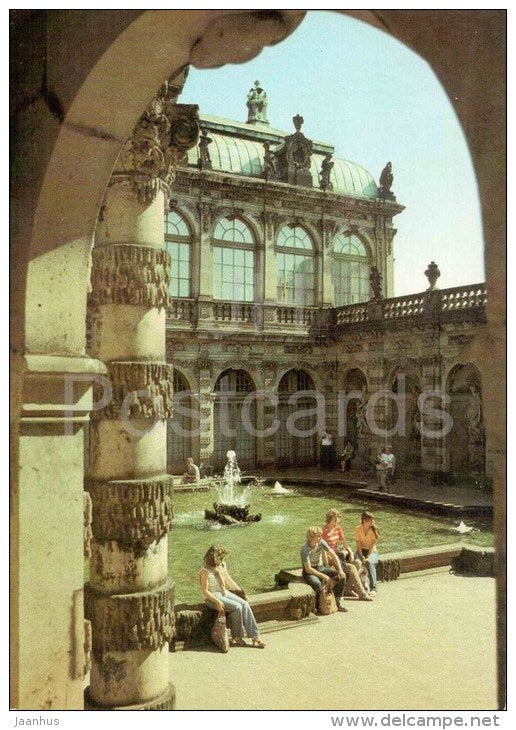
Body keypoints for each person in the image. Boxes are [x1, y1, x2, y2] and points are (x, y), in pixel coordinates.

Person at [199, 545, 265, 648]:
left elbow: (228, 580)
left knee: (244, 604)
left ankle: (255, 636)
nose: (224, 559)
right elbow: (205, 591)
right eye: (222, 557)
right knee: (237, 607)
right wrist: (217, 601)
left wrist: (241, 592)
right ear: (216, 558)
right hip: (212, 597)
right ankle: (237, 637)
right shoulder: (205, 571)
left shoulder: (222, 565)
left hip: (223, 592)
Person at [322, 509, 374, 601]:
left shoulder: (337, 528)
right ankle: (362, 594)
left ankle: (348, 588)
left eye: (337, 519)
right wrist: (326, 564)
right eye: (335, 519)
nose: (337, 521)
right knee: (351, 568)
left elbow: (344, 542)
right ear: (330, 519)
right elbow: (323, 549)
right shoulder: (324, 531)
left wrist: (350, 552)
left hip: (338, 554)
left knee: (357, 563)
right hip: (330, 556)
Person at [301, 526, 348, 612]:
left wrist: (340, 570)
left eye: (320, 536)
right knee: (317, 584)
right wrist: (325, 577)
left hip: (320, 567)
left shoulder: (321, 542)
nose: (320, 538)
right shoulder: (305, 549)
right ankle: (319, 606)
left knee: (342, 577)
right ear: (311, 537)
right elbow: (308, 569)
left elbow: (333, 554)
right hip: (309, 572)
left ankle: (338, 602)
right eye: (318, 536)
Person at [354, 511, 381, 596]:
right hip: (361, 550)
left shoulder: (374, 530)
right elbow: (358, 545)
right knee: (356, 562)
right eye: (370, 521)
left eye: (372, 520)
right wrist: (361, 556)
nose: (371, 522)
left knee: (369, 563)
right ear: (364, 520)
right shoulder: (358, 529)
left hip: (372, 551)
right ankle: (356, 587)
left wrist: (367, 557)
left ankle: (374, 588)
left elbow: (372, 546)